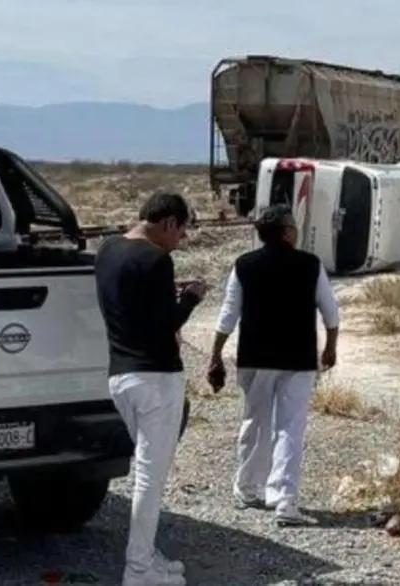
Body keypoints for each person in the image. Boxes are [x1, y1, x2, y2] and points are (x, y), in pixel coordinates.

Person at [94, 191, 207, 586]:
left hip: (121, 375)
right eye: (181, 232)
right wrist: (191, 299)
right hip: (156, 379)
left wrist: (170, 295)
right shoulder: (157, 260)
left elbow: (136, 307)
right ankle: (139, 568)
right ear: (168, 223)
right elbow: (165, 324)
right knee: (149, 476)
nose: (180, 241)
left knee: (146, 470)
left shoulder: (108, 250)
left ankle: (147, 557)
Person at [208, 204, 340, 527]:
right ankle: (284, 499)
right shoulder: (310, 265)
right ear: (287, 232)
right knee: (289, 427)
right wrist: (330, 348)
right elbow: (331, 312)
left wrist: (215, 356)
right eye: (293, 226)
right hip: (298, 358)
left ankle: (247, 488)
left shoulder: (244, 265)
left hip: (255, 357)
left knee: (255, 421)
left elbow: (228, 316)